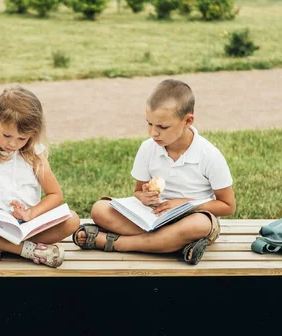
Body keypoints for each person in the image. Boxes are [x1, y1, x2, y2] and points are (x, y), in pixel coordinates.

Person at [71, 79, 236, 265]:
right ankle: (173, 243)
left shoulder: (209, 155)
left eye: (162, 127)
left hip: (193, 217)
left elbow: (227, 206)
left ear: (187, 121)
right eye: (149, 124)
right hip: (154, 216)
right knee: (99, 209)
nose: (153, 133)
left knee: (199, 225)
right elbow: (138, 192)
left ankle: (118, 243)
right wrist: (143, 196)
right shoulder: (148, 148)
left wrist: (187, 204)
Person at [0, 85, 80, 268]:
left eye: (22, 139)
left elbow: (55, 195)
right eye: (7, 135)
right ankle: (28, 251)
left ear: (32, 135)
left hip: (27, 227)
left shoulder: (35, 156)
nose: (12, 143)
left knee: (72, 220)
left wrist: (30, 213)